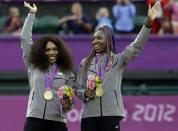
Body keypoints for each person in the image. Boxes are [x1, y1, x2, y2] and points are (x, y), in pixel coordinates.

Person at [75, 2, 161, 131]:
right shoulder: (85, 62)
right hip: (89, 116)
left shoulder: (118, 60)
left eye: (99, 38)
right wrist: (85, 93)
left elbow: (136, 45)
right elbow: (78, 89)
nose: (94, 41)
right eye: (93, 38)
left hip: (111, 115)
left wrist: (148, 24)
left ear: (108, 40)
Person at [21, 2, 75, 131]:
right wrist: (32, 14)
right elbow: (25, 39)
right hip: (34, 119)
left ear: (60, 51)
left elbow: (70, 103)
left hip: (57, 121)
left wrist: (68, 105)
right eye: (48, 50)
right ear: (41, 51)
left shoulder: (68, 73)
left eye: (55, 49)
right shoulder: (34, 65)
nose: (51, 52)